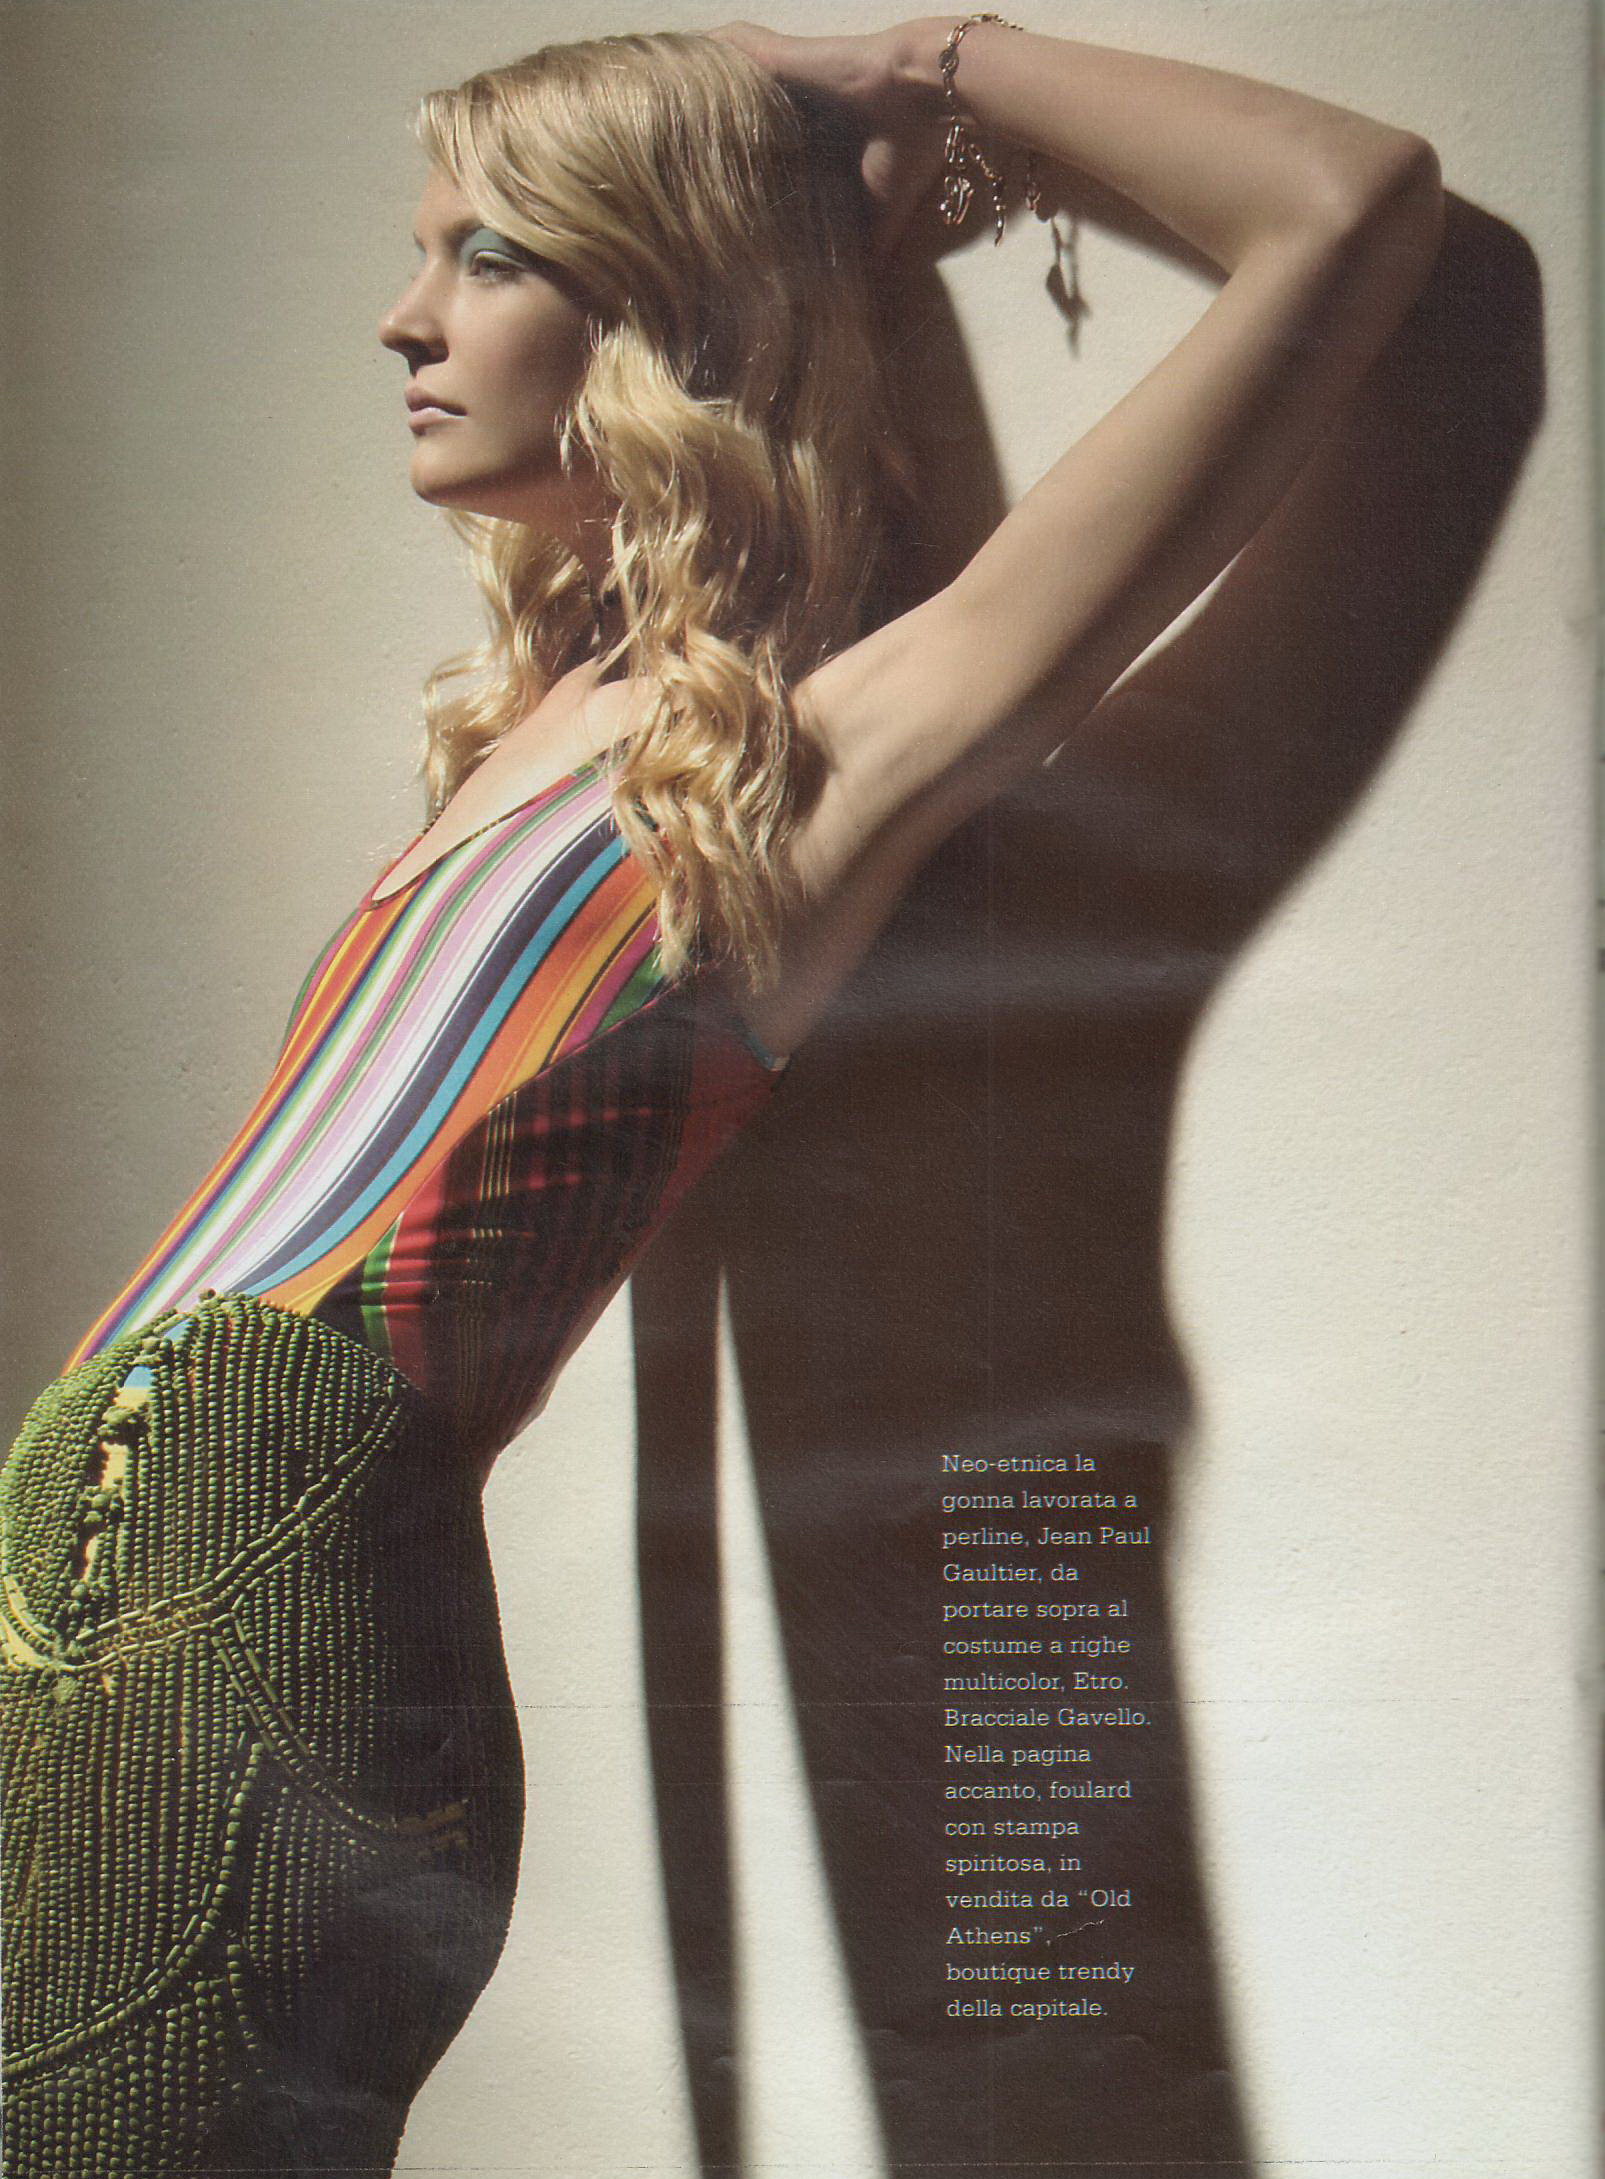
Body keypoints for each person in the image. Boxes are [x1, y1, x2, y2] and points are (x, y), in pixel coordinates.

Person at [0, 13, 1443, 2176]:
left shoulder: (819, 757)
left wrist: (919, 63)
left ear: (662, 305)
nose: (403, 316)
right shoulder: (541, 719)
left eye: (488, 255)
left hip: (258, 1623)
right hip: (83, 1597)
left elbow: (1342, 206)